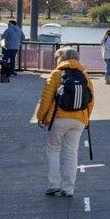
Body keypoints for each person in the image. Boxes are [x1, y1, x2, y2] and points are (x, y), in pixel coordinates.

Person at [34, 45, 95, 196]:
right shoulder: (85, 76)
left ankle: (53, 184)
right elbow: (91, 101)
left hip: (59, 118)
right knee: (71, 152)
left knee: (53, 149)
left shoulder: (56, 75)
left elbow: (46, 99)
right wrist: (86, 118)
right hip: (79, 119)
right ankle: (68, 188)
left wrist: (41, 116)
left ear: (61, 58)